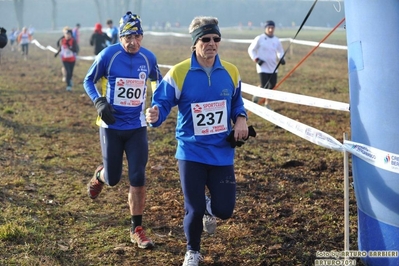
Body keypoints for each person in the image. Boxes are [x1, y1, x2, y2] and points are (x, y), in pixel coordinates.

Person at [146, 16, 251, 266]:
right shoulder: (179, 72)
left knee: (225, 210)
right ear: (195, 43)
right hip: (190, 151)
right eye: (205, 39)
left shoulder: (231, 71)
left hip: (222, 152)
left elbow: (236, 102)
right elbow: (161, 102)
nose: (212, 43)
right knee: (192, 209)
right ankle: (192, 251)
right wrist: (156, 114)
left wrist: (241, 119)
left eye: (216, 39)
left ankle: (209, 207)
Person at [83, 11, 162, 250]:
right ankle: (100, 175)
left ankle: (136, 228)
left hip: (137, 126)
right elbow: (89, 80)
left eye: (137, 36)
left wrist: (156, 104)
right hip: (111, 126)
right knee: (114, 178)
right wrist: (99, 102)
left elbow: (158, 82)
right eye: (128, 37)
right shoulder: (108, 55)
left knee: (138, 175)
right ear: (120, 37)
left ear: (142, 36)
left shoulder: (148, 58)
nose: (133, 42)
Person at [247, 20, 285, 110]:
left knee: (272, 86)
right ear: (265, 28)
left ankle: (267, 103)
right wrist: (256, 59)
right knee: (264, 85)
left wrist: (281, 58)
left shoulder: (276, 40)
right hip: (262, 67)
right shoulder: (259, 38)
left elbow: (280, 51)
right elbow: (251, 49)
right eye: (269, 28)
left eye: (272, 28)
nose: (271, 29)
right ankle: (258, 93)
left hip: (273, 67)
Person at [55, 27, 78, 91]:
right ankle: (68, 86)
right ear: (64, 35)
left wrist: (69, 48)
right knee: (68, 72)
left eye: (69, 34)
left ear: (71, 35)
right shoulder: (62, 40)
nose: (68, 36)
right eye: (66, 34)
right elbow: (60, 48)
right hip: (64, 59)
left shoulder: (73, 41)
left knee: (71, 72)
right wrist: (57, 53)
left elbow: (75, 50)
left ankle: (70, 80)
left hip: (72, 59)